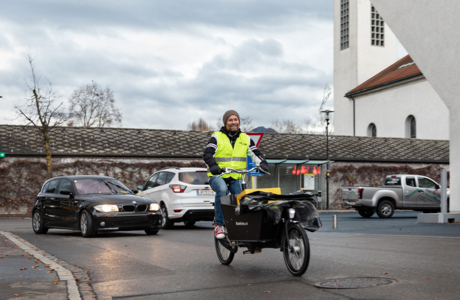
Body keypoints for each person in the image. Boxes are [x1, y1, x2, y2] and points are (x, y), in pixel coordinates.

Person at [203, 110, 269, 239]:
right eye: (230, 120)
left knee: (241, 198)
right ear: (225, 122)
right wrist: (213, 166)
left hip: (236, 176)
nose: (234, 122)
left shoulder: (245, 138)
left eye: (236, 119)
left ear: (239, 122)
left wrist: (263, 163)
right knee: (222, 190)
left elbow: (255, 153)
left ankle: (241, 225)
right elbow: (207, 154)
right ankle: (219, 225)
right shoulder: (217, 136)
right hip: (218, 175)